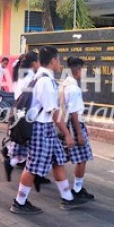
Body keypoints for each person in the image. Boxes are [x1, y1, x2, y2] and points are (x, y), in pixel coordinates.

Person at [10, 46, 90, 214]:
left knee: (58, 160)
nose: (59, 63)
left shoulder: (40, 77)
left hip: (45, 128)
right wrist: (67, 134)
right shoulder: (45, 81)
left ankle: (67, 198)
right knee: (33, 166)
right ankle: (19, 202)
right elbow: (52, 111)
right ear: (53, 61)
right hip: (41, 128)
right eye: (58, 60)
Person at [60, 57, 94, 199]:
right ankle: (77, 190)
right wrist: (79, 134)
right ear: (78, 71)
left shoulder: (64, 84)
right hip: (75, 125)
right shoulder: (73, 88)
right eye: (84, 70)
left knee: (62, 157)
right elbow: (74, 113)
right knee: (82, 158)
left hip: (66, 123)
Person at [3, 51, 40, 181]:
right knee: (28, 142)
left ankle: (11, 158)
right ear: (34, 63)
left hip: (19, 110)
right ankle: (11, 158)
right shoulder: (30, 77)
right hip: (25, 111)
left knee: (24, 143)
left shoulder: (23, 74)